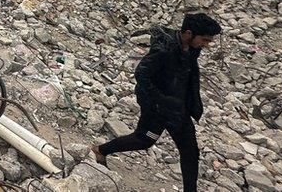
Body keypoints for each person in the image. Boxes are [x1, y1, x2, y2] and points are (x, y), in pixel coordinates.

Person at [91, 13, 222, 192]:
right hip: (157, 108)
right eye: (204, 40)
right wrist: (159, 101)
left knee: (190, 152)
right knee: (144, 139)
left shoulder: (192, 49)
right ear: (189, 33)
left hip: (178, 109)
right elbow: (142, 74)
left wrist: (192, 103)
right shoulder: (164, 49)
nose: (206, 45)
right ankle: (100, 150)